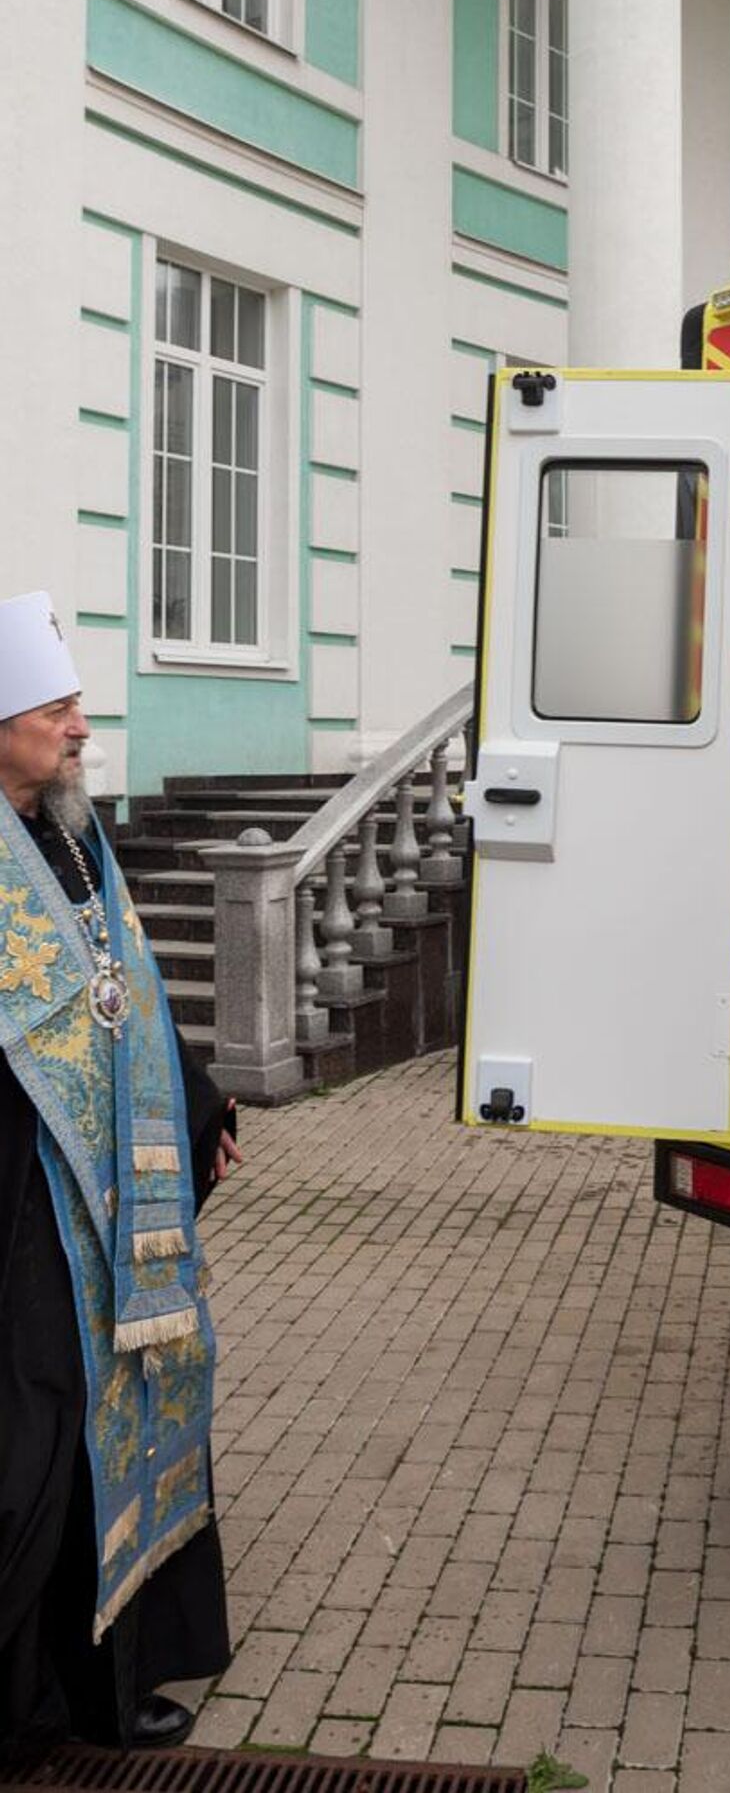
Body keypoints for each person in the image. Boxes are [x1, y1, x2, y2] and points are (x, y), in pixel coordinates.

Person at [0, 591, 240, 1765]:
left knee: (128, 1417)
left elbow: (127, 987)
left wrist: (198, 1111)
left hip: (104, 1193)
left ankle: (102, 1688)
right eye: (56, 708)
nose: (79, 727)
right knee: (33, 1447)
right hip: (21, 1207)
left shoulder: (73, 832)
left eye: (78, 705)